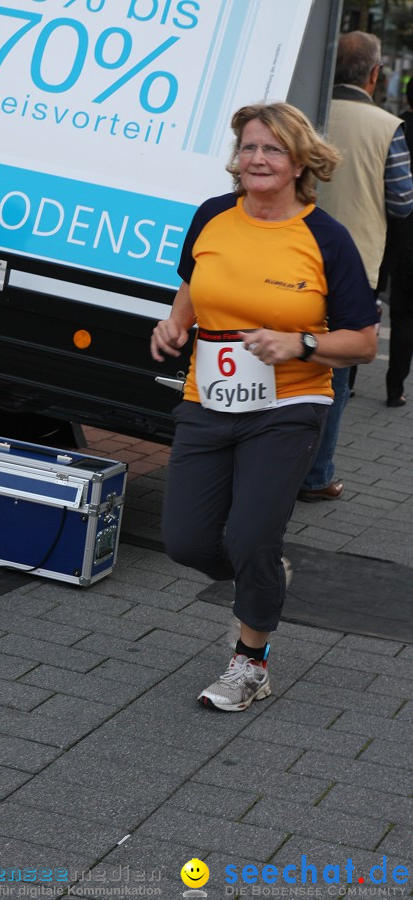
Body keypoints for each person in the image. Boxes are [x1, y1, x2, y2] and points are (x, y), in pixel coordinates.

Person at [151, 102, 377, 713]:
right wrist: (173, 324)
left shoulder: (325, 238)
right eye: (249, 147)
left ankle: (249, 661)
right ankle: (264, 576)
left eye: (272, 149)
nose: (257, 159)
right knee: (187, 541)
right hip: (209, 398)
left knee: (252, 532)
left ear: (300, 161)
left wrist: (300, 342)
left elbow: (363, 341)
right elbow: (194, 283)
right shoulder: (213, 217)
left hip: (291, 402)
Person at [298, 31, 413, 502]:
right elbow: (403, 202)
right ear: (373, 74)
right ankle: (316, 474)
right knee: (336, 372)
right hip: (355, 265)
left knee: (284, 355)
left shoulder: (303, 110)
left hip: (288, 253)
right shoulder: (388, 126)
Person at [385, 76, 413, 407]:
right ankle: (395, 388)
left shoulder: (398, 129)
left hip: (399, 231)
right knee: (408, 318)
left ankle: (348, 381)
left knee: (399, 312)